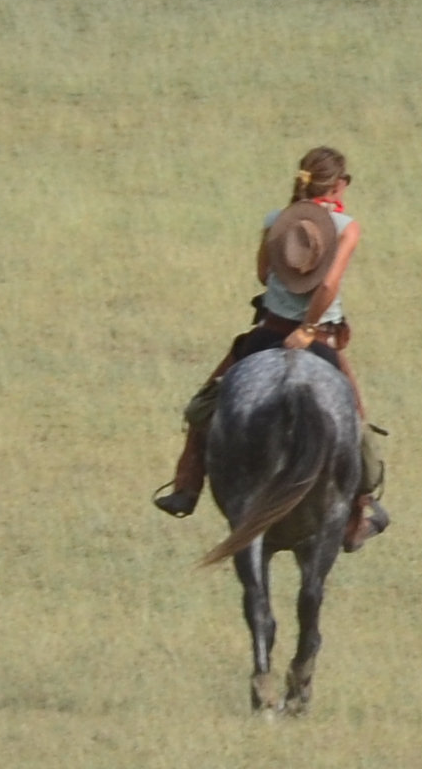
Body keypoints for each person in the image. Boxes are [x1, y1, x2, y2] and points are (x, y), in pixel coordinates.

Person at [155, 146, 387, 546]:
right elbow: (328, 284)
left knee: (203, 407)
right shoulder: (346, 226)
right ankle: (358, 512)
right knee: (355, 422)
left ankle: (187, 484)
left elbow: (264, 274)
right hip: (319, 338)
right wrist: (309, 326)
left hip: (267, 333)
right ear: (340, 184)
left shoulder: (276, 221)